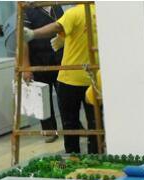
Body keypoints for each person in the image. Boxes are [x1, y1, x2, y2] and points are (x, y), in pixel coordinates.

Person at [22, 4, 100, 154]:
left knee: (71, 123)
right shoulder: (29, 11)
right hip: (88, 76)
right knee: (94, 122)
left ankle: (73, 158)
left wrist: (33, 33)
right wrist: (26, 66)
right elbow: (69, 30)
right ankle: (94, 157)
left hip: (69, 76)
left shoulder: (69, 11)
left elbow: (57, 27)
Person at [21, 4, 63, 143]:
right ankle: (49, 130)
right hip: (38, 60)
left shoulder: (57, 6)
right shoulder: (27, 10)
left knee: (65, 95)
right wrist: (26, 67)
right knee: (43, 99)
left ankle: (73, 126)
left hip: (60, 58)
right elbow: (23, 41)